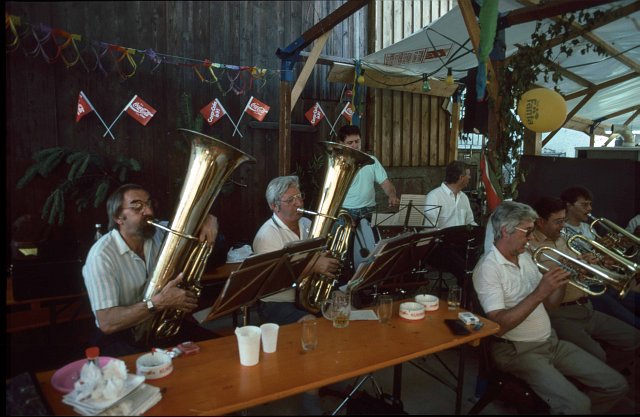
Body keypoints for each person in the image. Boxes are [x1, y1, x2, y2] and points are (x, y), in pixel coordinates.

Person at [473, 201, 629, 414]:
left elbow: (551, 304)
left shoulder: (525, 257)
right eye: (527, 231)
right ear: (505, 231)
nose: (531, 238)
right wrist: (540, 292)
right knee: (578, 405)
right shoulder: (488, 268)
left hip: (550, 342)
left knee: (616, 385)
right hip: (517, 351)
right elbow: (498, 326)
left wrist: (563, 277)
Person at [82, 183, 220, 356]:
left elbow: (195, 222)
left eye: (148, 204)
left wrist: (208, 219)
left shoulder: (160, 233)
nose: (148, 211)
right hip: (121, 334)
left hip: (160, 324)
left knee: (217, 348)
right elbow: (107, 322)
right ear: (118, 217)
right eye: (137, 206)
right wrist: (159, 302)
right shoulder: (101, 256)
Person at [528, 196, 639, 370]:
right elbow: (541, 283)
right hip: (561, 314)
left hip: (586, 307)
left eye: (564, 220)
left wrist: (593, 262)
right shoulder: (530, 247)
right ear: (541, 222)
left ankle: (607, 374)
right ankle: (602, 376)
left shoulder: (563, 237)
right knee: (598, 356)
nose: (563, 225)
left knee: (634, 338)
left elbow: (582, 268)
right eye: (558, 221)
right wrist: (568, 268)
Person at [253, 175, 341, 325]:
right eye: (290, 200)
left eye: (299, 197)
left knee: (344, 308)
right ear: (274, 206)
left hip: (308, 295)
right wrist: (313, 266)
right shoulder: (267, 235)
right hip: (278, 302)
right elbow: (275, 279)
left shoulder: (307, 224)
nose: (299, 203)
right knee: (310, 323)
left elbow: (320, 255)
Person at [561, 186, 640, 329]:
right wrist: (595, 252)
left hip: (605, 280)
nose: (589, 208)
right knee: (628, 318)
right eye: (584, 205)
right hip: (589, 285)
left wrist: (606, 257)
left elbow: (600, 258)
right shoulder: (561, 230)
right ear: (569, 205)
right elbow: (572, 261)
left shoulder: (587, 228)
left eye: (590, 204)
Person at [422, 161, 480, 301]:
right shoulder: (434, 196)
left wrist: (480, 232)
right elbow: (429, 229)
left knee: (479, 264)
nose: (470, 178)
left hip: (461, 245)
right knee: (464, 269)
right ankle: (467, 301)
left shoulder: (464, 197)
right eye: (468, 175)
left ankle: (470, 297)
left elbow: (470, 222)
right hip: (439, 248)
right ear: (460, 177)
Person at [337, 124, 399, 223]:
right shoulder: (337, 164)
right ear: (341, 143)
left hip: (370, 210)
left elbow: (385, 183)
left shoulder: (372, 160)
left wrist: (392, 195)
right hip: (346, 211)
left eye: (357, 141)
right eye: (350, 143)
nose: (355, 145)